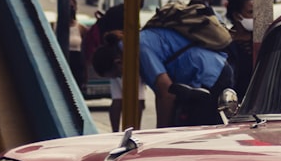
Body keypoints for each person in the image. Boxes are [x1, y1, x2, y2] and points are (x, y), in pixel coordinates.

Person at [93, 25, 232, 128]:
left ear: (118, 62)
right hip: (201, 78)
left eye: (119, 75)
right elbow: (161, 94)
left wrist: (160, 133)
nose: (123, 78)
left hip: (211, 75)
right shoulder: (132, 46)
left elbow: (166, 93)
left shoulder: (138, 47)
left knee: (201, 129)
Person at [92, 0, 147, 131]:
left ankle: (115, 130)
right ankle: (135, 129)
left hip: (112, 57)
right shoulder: (129, 13)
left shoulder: (113, 11)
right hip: (125, 60)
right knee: (138, 99)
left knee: (117, 99)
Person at [225, 0, 255, 97]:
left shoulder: (263, 38)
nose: (255, 17)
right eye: (251, 12)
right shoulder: (226, 43)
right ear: (237, 16)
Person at [67, 0, 87, 90]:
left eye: (72, 6)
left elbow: (86, 51)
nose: (70, 9)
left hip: (76, 65)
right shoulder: (55, 26)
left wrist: (85, 76)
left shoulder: (81, 28)